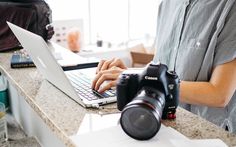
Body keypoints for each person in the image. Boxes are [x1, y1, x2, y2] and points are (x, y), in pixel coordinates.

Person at [92, 0, 236, 133]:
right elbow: (160, 69)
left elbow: (220, 94)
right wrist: (131, 74)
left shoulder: (230, 6)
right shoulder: (167, 4)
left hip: (207, 134)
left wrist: (141, 80)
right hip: (164, 123)